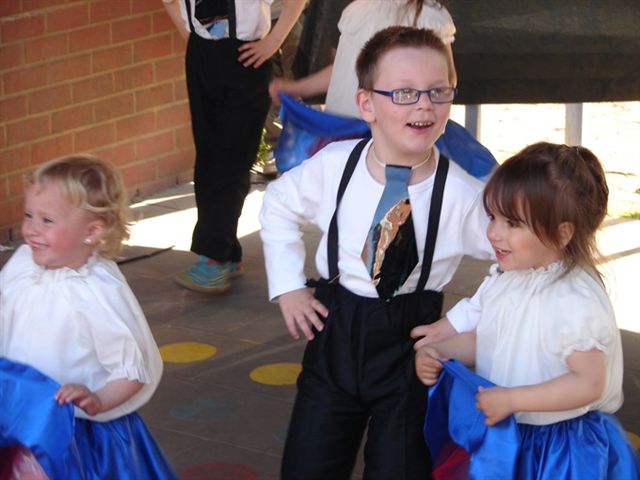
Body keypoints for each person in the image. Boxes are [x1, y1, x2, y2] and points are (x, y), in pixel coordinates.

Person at [259, 27, 494, 478]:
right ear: (367, 104)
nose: (424, 105)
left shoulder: (464, 194)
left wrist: (463, 321)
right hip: (334, 332)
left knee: (399, 468)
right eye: (404, 93)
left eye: (438, 91)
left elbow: (517, 262)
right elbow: (279, 204)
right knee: (309, 464)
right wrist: (288, 286)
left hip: (413, 345)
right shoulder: (334, 165)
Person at [415, 142, 640, 478]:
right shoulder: (509, 278)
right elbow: (490, 339)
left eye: (512, 223)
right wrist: (441, 352)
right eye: (493, 217)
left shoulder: (573, 301)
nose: (493, 233)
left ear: (562, 233)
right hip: (509, 435)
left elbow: (588, 383)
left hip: (559, 448)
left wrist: (512, 399)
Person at [0, 155, 177, 478]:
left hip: (76, 436)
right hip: (19, 419)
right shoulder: (23, 264)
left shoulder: (95, 293)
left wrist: (98, 398)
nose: (30, 230)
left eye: (47, 220)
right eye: (28, 215)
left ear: (91, 231)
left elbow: (130, 370)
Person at [163, 0, 305, 294]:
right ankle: (225, 252)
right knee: (209, 155)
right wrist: (192, 39)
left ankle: (214, 256)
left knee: (233, 156)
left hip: (247, 55)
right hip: (202, 55)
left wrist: (273, 42)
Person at [270, 0, 456, 118]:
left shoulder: (430, 16)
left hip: (395, 134)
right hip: (347, 129)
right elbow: (345, 68)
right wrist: (297, 88)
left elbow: (447, 79)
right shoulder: (358, 12)